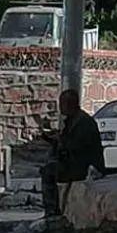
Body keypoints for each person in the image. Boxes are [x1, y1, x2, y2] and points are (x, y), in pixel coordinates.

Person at [41, 89, 106, 217]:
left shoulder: (83, 122)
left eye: (62, 104)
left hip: (84, 166)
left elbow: (78, 147)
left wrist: (61, 142)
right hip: (75, 161)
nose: (60, 108)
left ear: (69, 104)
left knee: (49, 172)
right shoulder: (72, 120)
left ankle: (52, 211)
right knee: (49, 165)